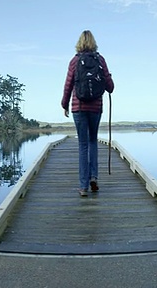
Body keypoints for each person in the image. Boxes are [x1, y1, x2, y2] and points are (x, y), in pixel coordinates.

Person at [61, 30, 115, 197]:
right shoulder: (100, 60)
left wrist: (65, 104)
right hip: (96, 107)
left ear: (79, 43)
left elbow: (68, 84)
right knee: (93, 141)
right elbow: (110, 87)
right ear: (93, 43)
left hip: (79, 107)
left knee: (82, 145)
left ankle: (83, 186)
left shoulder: (74, 61)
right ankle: (94, 178)